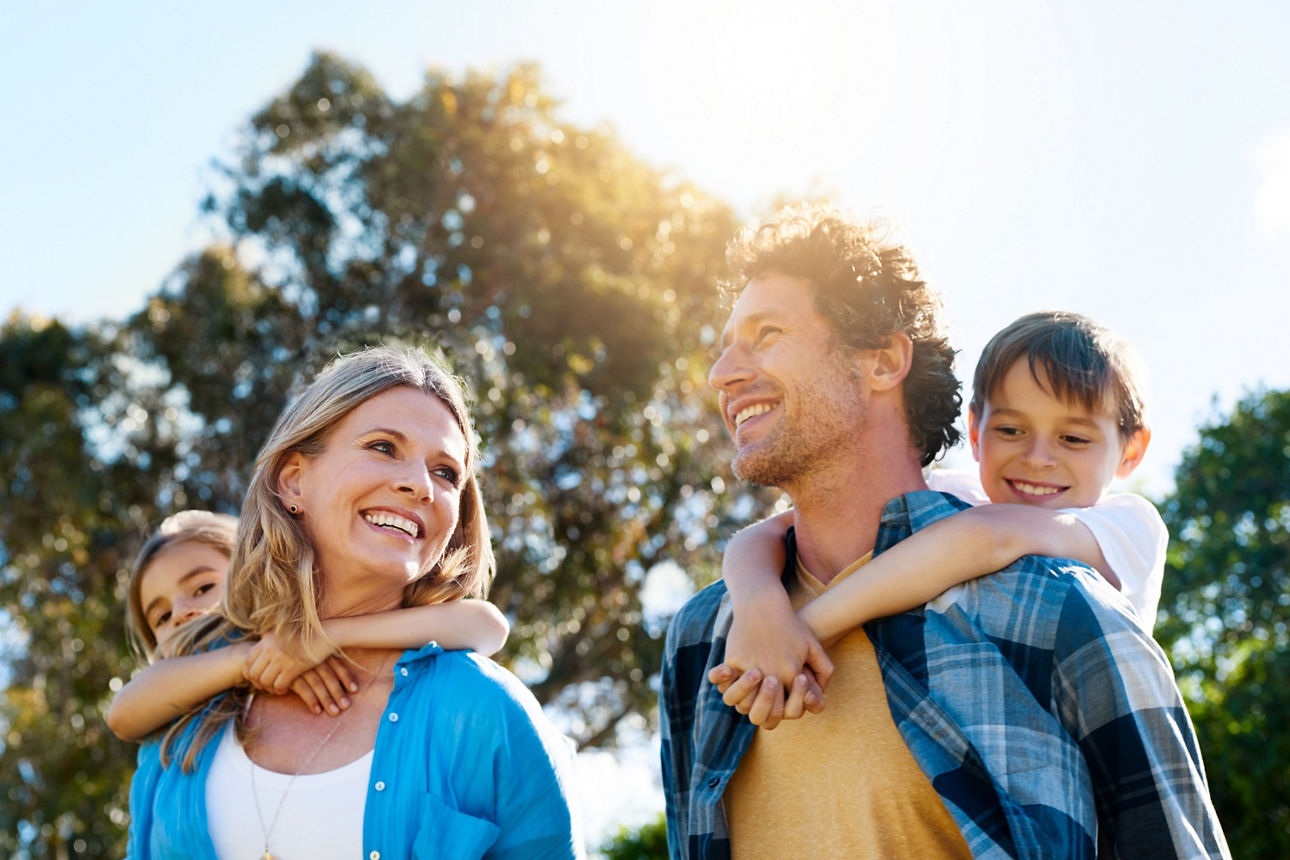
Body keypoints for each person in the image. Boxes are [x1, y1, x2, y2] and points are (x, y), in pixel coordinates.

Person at [659, 203, 1229, 858]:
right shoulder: (706, 639)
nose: (721, 372)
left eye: (766, 334)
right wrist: (761, 605)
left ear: (882, 362)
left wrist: (809, 627)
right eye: (728, 342)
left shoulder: (1061, 611)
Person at [127, 346, 583, 859]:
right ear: (294, 479)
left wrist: (320, 638)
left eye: (447, 473)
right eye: (384, 447)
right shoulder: (185, 732)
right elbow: (125, 710)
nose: (420, 485)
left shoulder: (484, 713)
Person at [711, 311, 1167, 724]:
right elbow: (768, 532)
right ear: (975, 432)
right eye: (1011, 431)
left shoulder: (1128, 527)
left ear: (1131, 450)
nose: (1038, 457)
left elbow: (988, 537)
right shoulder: (959, 496)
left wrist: (805, 631)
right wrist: (760, 608)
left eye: (1073, 438)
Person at [108, 509, 510, 739]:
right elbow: (121, 716)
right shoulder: (170, 693)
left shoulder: (312, 622)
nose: (180, 612)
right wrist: (255, 661)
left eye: (201, 586)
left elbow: (486, 626)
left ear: (251, 567)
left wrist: (322, 638)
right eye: (160, 616)